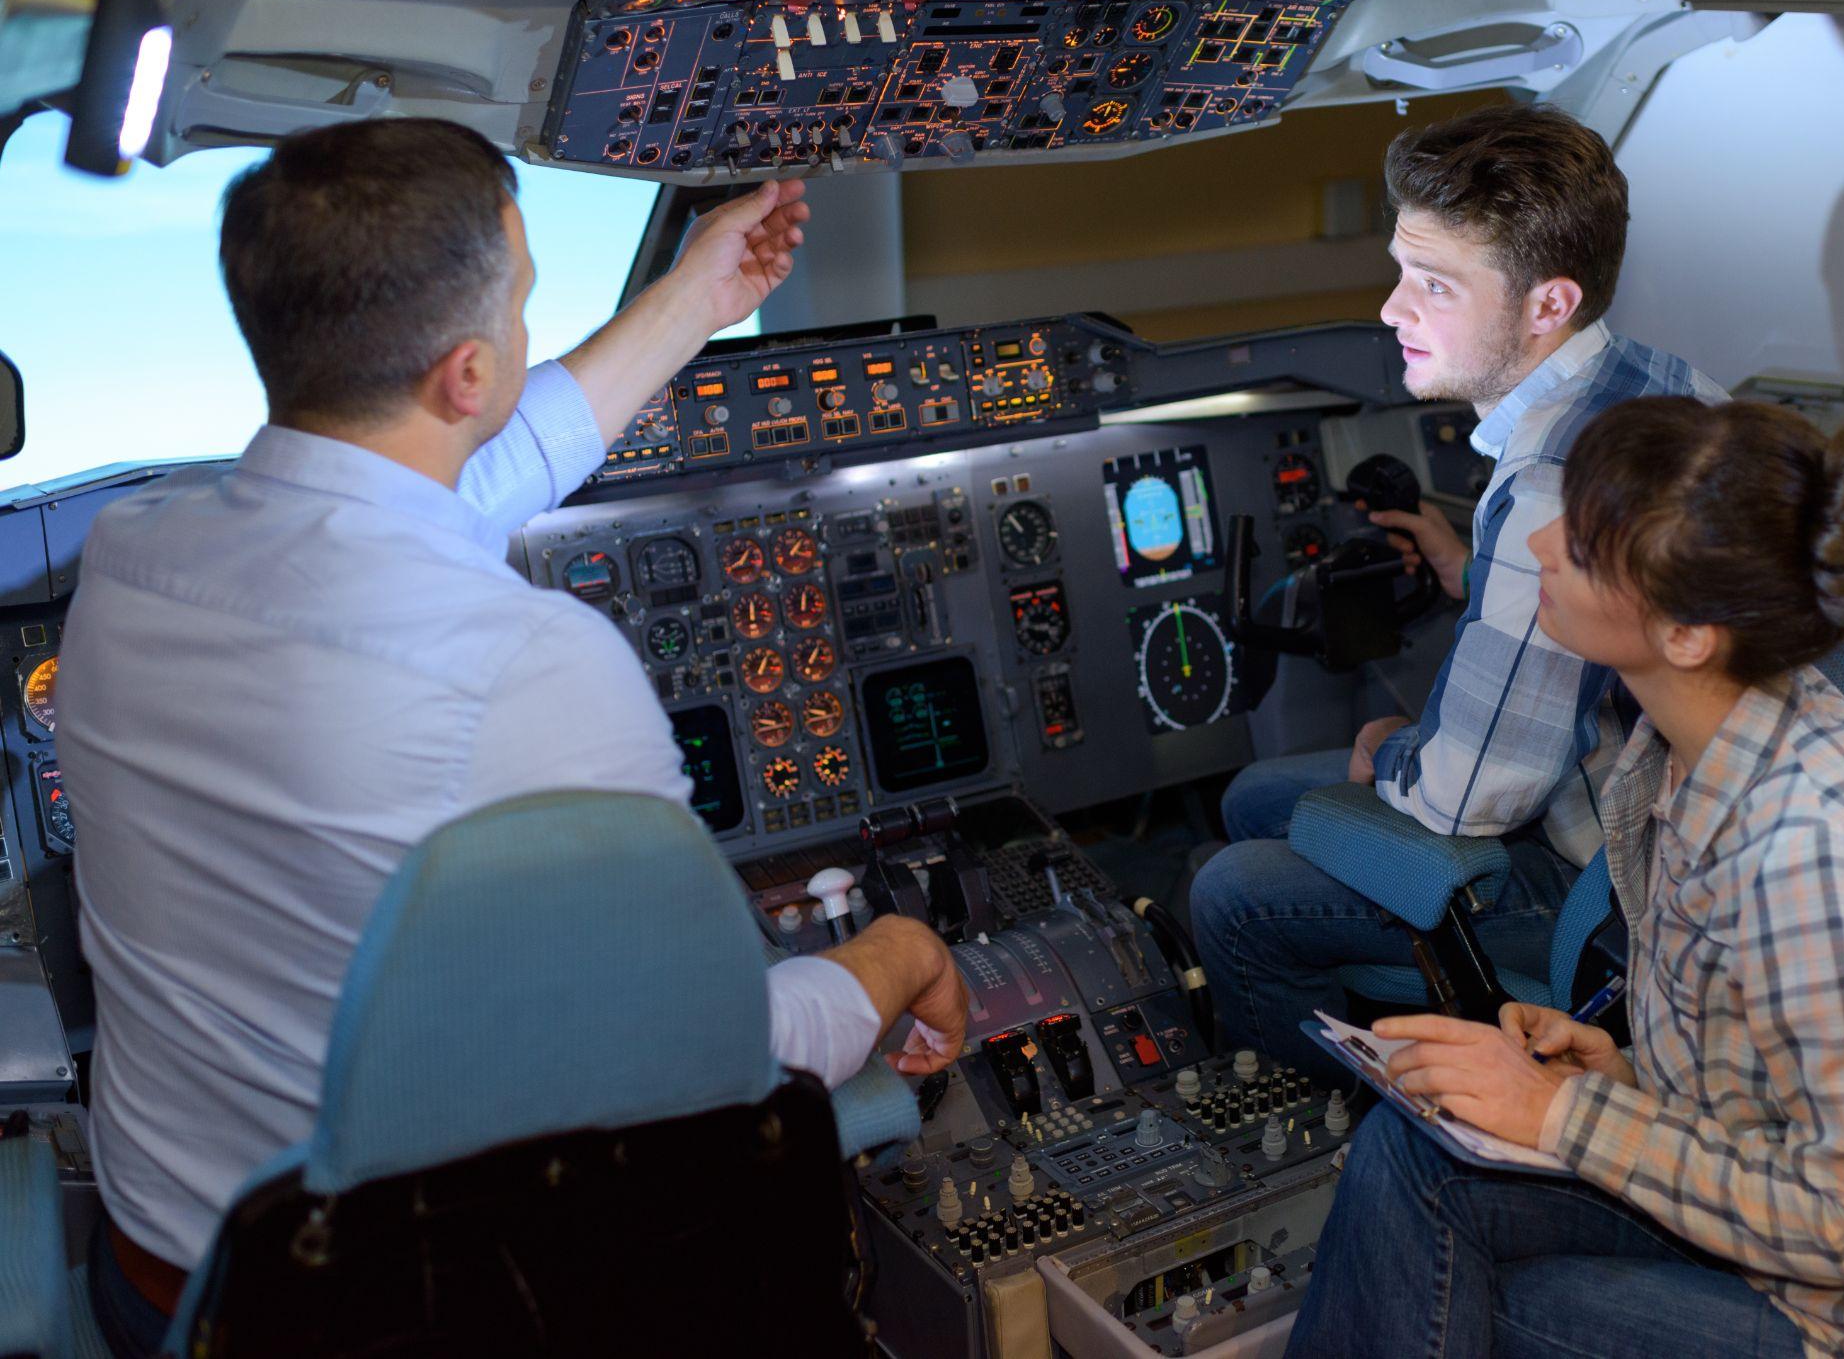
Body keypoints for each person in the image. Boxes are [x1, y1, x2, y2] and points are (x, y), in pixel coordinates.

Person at [57, 119, 968, 1356]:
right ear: (467, 375)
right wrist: (896, 952)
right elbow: (707, 1069)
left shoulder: (130, 561)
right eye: (523, 301)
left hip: (155, 1284)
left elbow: (446, 491)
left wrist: (694, 299)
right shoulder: (528, 663)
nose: (528, 325)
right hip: (393, 1318)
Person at [1287, 398, 1844, 1358]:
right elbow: (1766, 1090)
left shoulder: (1817, 850)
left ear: (1689, 633)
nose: (1542, 541)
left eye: (1588, 538)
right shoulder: (1676, 751)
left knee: (1482, 1288)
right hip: (1777, 1257)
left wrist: (1563, 1113)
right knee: (1413, 1152)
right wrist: (1620, 1075)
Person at [1192, 103, 1724, 1080]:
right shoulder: (1662, 382)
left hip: (1593, 882)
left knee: (1232, 885)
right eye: (1401, 270)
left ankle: (1327, 1131)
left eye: (1432, 285)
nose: (1392, 309)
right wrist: (1464, 569)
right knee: (1265, 791)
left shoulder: (1551, 487)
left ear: (1546, 305)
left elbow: (1469, 796)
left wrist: (1380, 751)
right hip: (1667, 828)